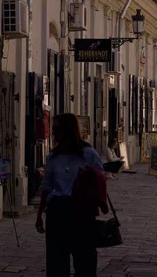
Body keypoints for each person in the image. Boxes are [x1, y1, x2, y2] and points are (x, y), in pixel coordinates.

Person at [35, 113, 107, 277]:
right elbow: (47, 187)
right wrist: (40, 215)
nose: (53, 132)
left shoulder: (88, 154)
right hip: (58, 210)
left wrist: (88, 177)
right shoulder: (53, 157)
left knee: (84, 260)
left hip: (81, 209)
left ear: (67, 130)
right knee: (57, 260)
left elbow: (101, 179)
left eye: (56, 129)